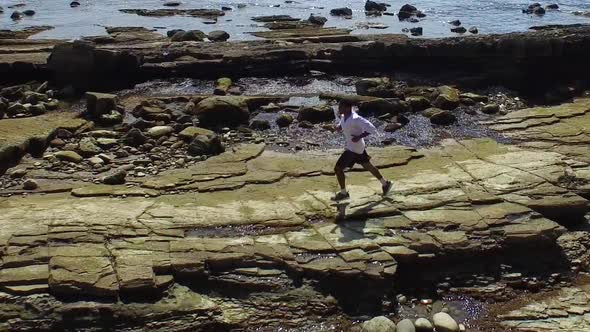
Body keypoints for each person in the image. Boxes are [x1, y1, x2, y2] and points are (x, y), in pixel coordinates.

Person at [332, 99, 392, 201]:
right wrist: (338, 128)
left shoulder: (356, 118)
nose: (339, 109)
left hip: (353, 149)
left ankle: (343, 193)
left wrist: (359, 136)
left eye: (341, 107)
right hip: (358, 147)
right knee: (367, 165)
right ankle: (385, 184)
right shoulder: (343, 116)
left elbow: (372, 128)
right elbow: (342, 124)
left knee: (338, 168)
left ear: (347, 108)